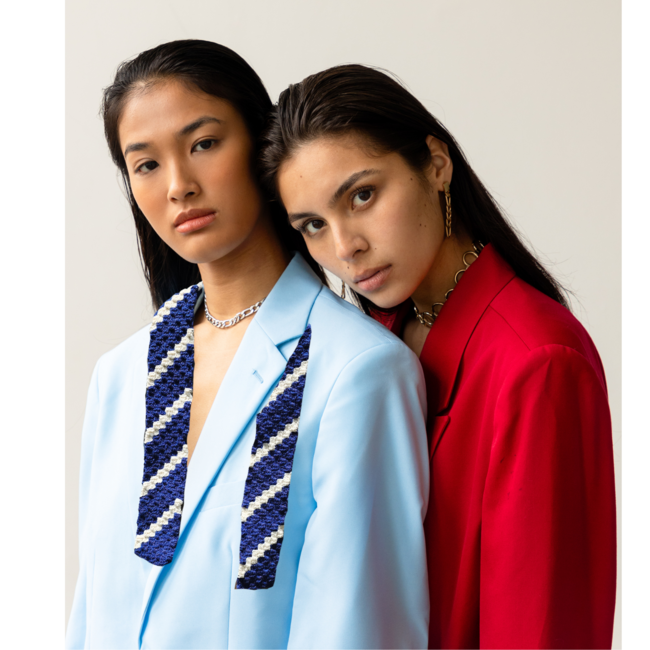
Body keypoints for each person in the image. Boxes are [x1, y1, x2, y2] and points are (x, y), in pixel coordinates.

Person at [66, 42, 430, 650]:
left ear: (261, 146)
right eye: (146, 164)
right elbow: (90, 610)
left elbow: (356, 625)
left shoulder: (357, 370)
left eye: (204, 143)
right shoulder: (120, 376)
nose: (179, 186)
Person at [261, 64, 617, 649]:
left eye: (363, 196)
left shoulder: (537, 361)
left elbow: (540, 628)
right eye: (313, 224)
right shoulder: (363, 346)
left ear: (435, 164)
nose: (345, 247)